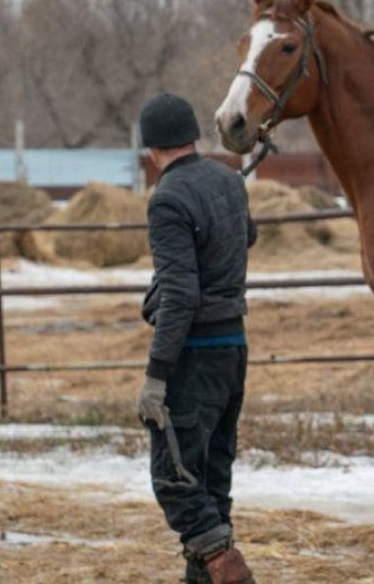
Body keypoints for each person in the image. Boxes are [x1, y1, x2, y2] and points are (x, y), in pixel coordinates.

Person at [137, 93, 258, 584]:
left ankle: (232, 573)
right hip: (234, 349)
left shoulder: (167, 199)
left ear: (151, 150)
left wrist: (156, 375)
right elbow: (246, 236)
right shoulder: (228, 179)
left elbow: (182, 297)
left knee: (176, 481)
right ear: (192, 136)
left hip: (195, 355)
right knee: (211, 480)